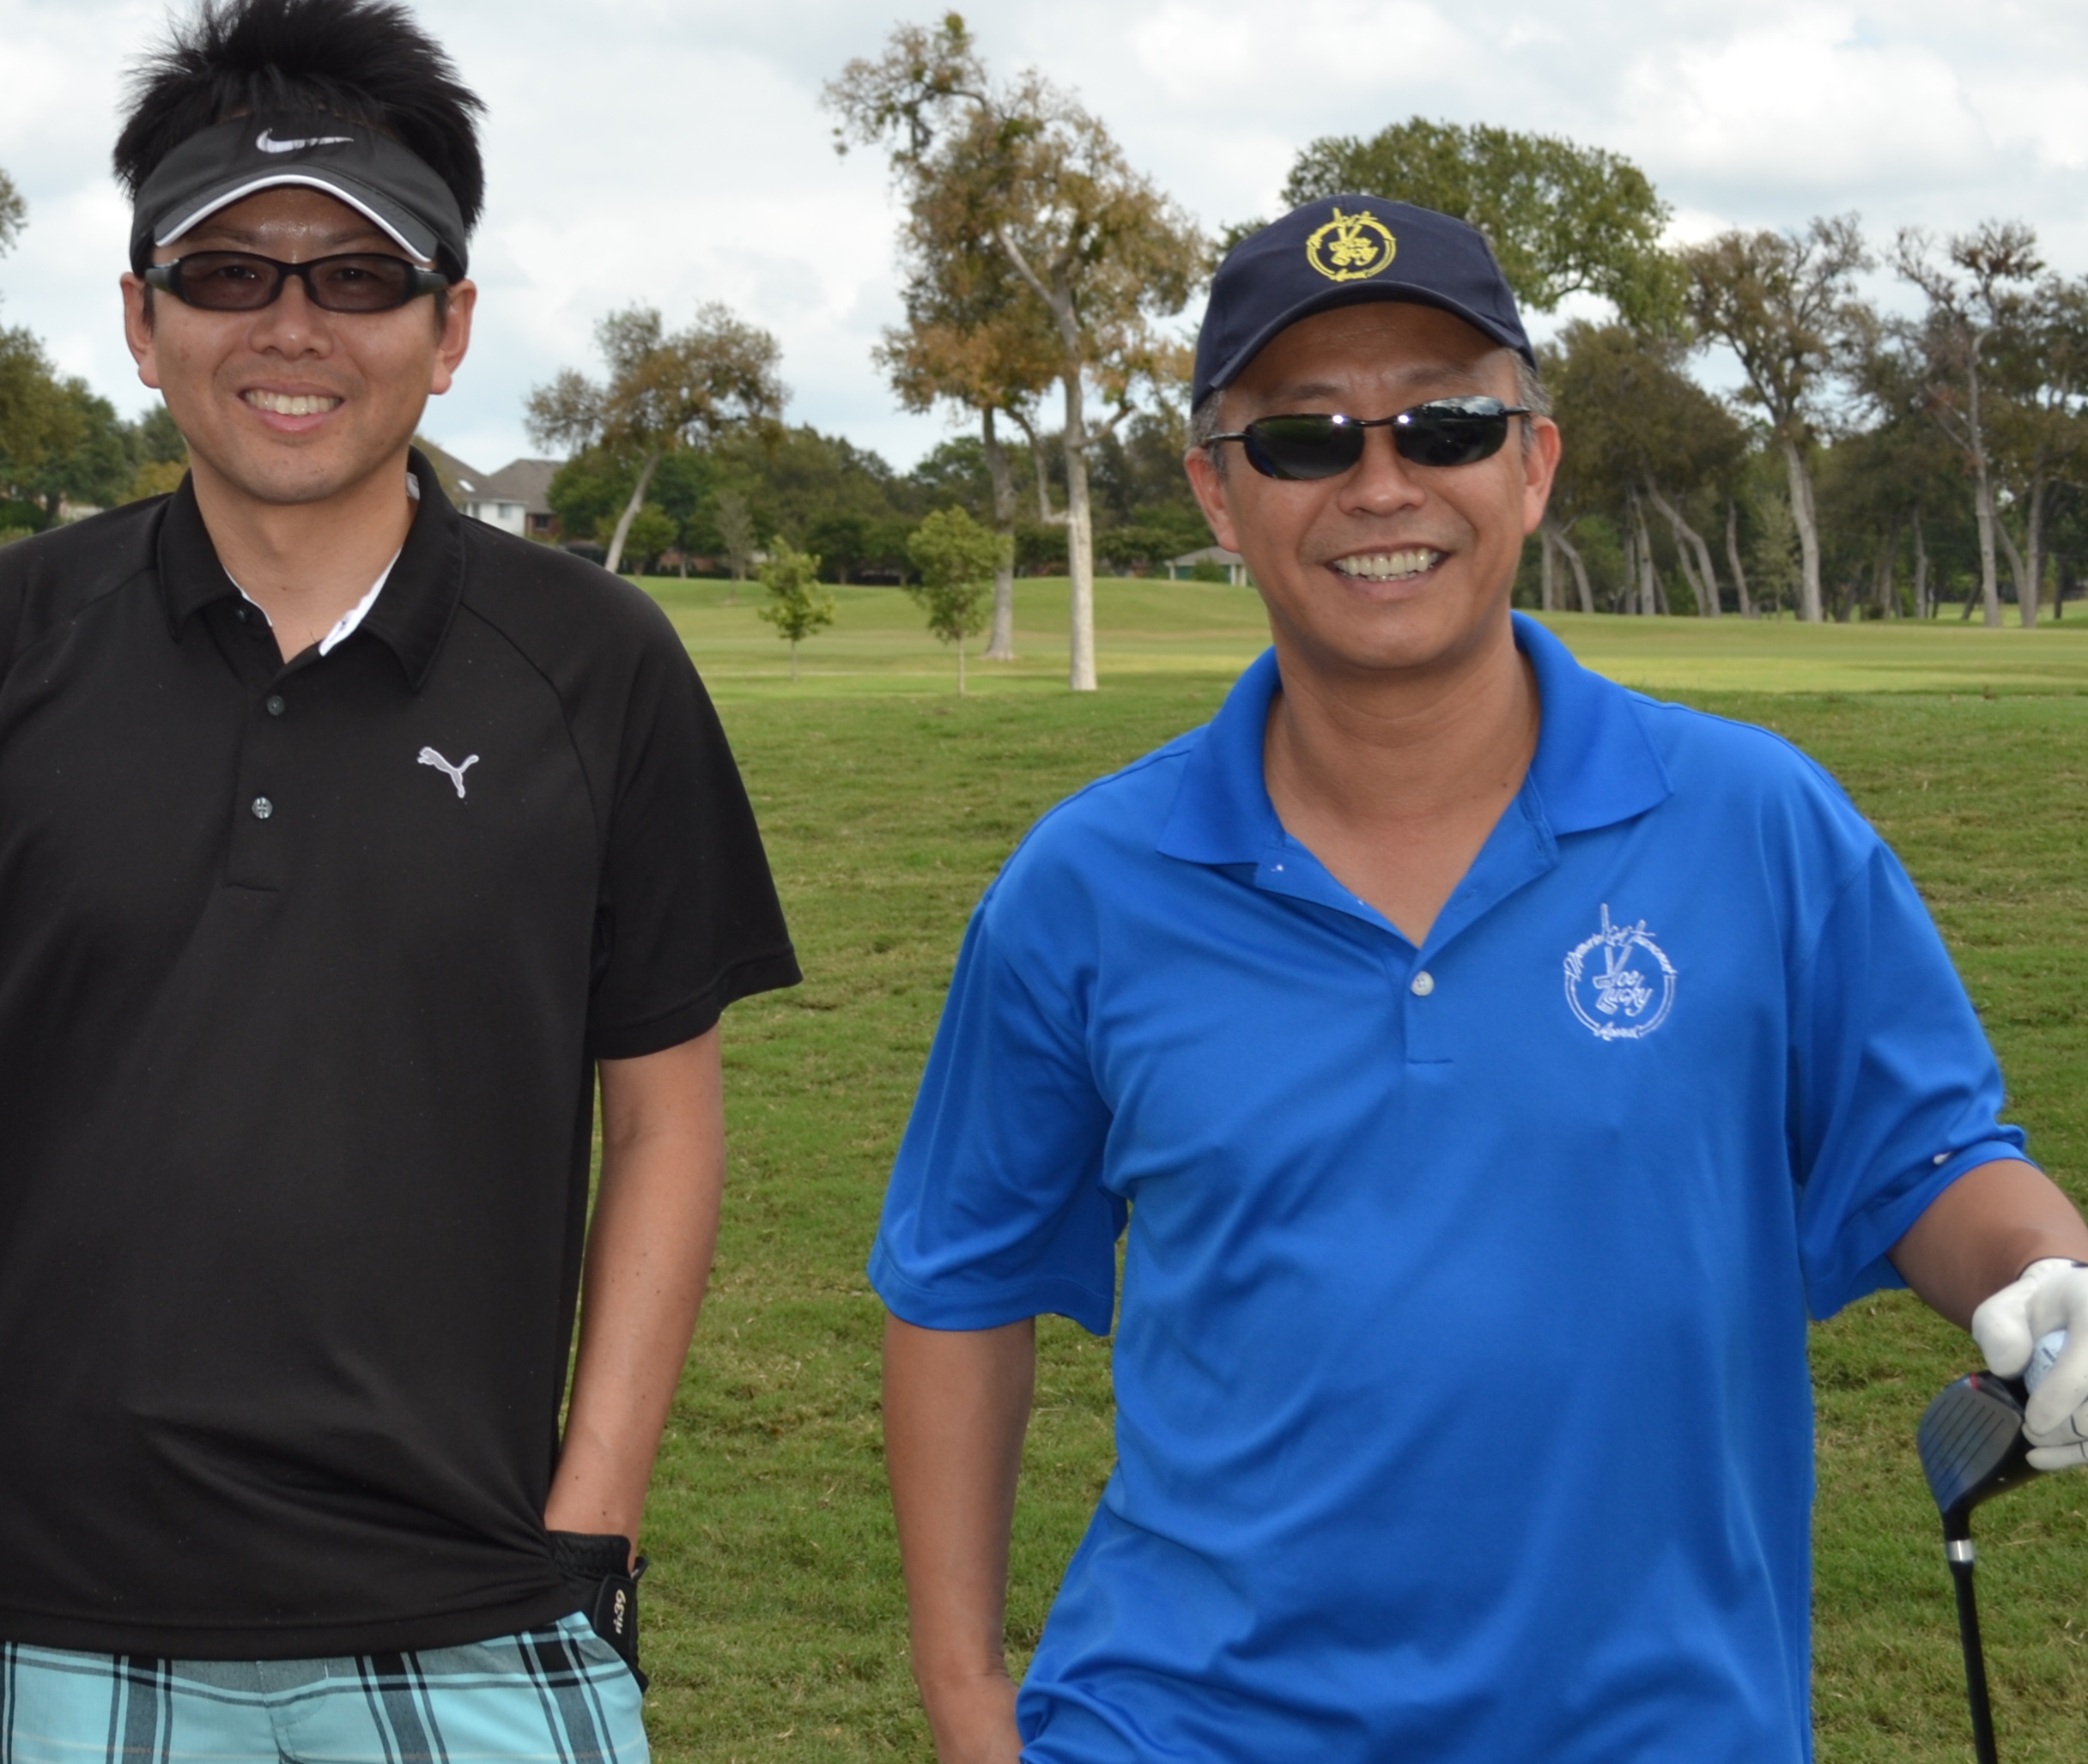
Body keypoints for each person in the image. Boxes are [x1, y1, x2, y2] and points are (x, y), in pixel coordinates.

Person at [872, 193, 2088, 1762]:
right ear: (1219, 494)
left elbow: (1929, 1159)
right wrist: (969, 1703)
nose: (1382, 483)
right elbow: (963, 1285)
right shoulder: (1086, 884)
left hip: (1659, 1726)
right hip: (1184, 1719)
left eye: (1445, 425)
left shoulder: (1756, 820)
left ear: (1533, 463)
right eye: (1304, 438)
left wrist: (2049, 1282)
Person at [0, 0, 799, 1762]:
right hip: (63, 1605)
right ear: (142, 319)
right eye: (229, 273)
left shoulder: (599, 663)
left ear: (450, 327)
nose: (293, 327)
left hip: (480, 1612)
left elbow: (668, 1123)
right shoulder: (7, 637)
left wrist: (590, 1523)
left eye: (360, 277)